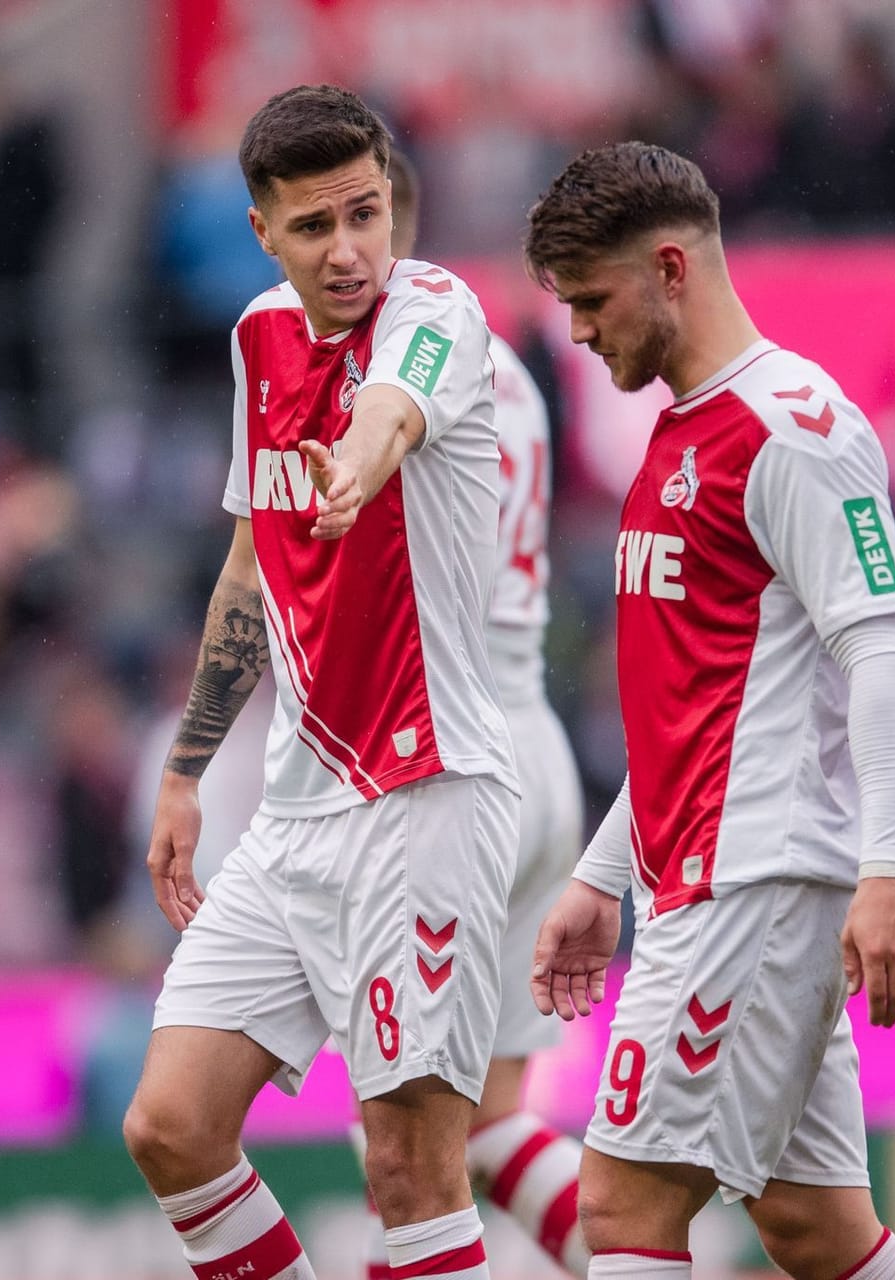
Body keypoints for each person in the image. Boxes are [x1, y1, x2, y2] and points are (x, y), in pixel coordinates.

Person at [124, 85, 518, 1280]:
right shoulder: (256, 338)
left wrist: (351, 465)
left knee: (407, 1167)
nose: (348, 250)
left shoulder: (435, 307)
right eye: (313, 228)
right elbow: (252, 563)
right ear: (261, 232)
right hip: (298, 811)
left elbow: (389, 411)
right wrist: (188, 769)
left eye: (365, 214)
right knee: (171, 1125)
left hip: (426, 794)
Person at [524, 142, 895, 1280]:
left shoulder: (797, 427)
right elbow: (689, 704)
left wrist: (888, 870)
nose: (583, 332)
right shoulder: (679, 430)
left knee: (624, 1201)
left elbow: (880, 649)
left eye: (593, 301)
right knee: (814, 1225)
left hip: (754, 879)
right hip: (703, 870)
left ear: (668, 267)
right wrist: (606, 876)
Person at [345, 149, 588, 1280]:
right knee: (482, 1130)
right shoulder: (507, 364)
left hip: (445, 767)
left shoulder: (391, 372)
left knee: (401, 1150)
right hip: (533, 741)